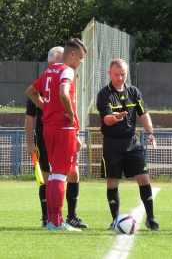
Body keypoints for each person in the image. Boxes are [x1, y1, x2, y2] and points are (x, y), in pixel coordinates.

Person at [26, 38, 87, 231]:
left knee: (53, 175)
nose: (81, 62)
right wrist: (70, 114)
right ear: (72, 54)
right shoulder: (66, 71)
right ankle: (58, 221)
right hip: (64, 128)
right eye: (81, 57)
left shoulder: (49, 71)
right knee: (60, 175)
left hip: (49, 129)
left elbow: (30, 91)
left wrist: (48, 107)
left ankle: (52, 220)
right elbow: (63, 93)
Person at [96, 58, 160, 231]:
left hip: (132, 142)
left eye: (123, 74)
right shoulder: (104, 94)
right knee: (112, 182)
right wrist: (117, 116)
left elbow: (143, 113)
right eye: (116, 74)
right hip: (112, 143)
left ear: (127, 73)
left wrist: (150, 133)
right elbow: (107, 120)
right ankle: (115, 220)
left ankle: (151, 219)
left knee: (143, 178)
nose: (120, 78)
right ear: (109, 73)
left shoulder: (134, 92)